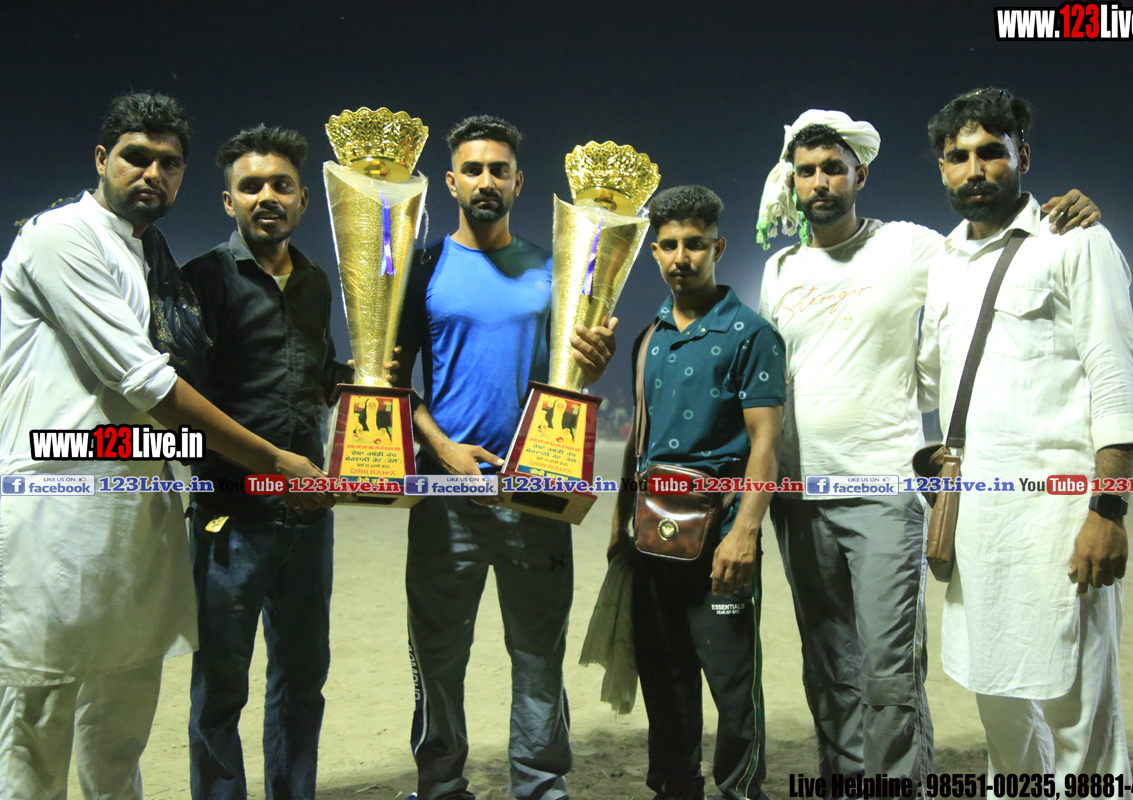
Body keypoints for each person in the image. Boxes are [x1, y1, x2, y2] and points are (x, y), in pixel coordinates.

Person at [755, 109, 1102, 784]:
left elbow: (991, 249)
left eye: (834, 169)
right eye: (807, 171)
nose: (820, 182)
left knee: (888, 673)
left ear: (860, 174)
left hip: (885, 491)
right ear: (791, 182)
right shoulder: (779, 270)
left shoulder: (911, 247)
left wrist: (1065, 216)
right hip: (800, 496)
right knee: (828, 669)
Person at [0, 93, 327, 800]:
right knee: (40, 715)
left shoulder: (153, 257)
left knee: (120, 726)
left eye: (168, 163)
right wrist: (274, 462)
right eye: (136, 157)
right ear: (102, 159)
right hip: (57, 502)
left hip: (139, 505)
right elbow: (147, 382)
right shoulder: (61, 237)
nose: (152, 173)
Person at [917, 88, 1133, 784]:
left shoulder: (1076, 241)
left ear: (1023, 155)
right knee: (999, 702)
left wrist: (1107, 512)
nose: (975, 169)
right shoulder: (944, 263)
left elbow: (1115, 379)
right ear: (942, 167)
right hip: (977, 527)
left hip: (1061, 524)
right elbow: (928, 380)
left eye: (991, 151)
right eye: (958, 156)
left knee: (1080, 716)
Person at [392, 115, 616, 800]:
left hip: (534, 497)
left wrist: (595, 360)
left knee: (538, 658)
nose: (485, 180)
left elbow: (570, 380)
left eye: (499, 170)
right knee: (437, 660)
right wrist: (443, 450)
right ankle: (440, 787)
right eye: (473, 169)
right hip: (446, 501)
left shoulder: (557, 270)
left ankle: (541, 787)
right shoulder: (422, 268)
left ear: (519, 183)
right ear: (451, 181)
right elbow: (391, 380)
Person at [181, 125, 354, 800]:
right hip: (231, 515)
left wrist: (366, 381)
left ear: (303, 199)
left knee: (302, 680)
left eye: (281, 185)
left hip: (308, 516)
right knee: (221, 686)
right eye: (250, 186)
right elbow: (185, 403)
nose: (267, 197)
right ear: (229, 201)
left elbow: (316, 374)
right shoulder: (202, 281)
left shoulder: (315, 282)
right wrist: (268, 463)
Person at [609, 185, 785, 800]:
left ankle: (741, 790)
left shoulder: (751, 334)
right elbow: (639, 442)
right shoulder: (648, 338)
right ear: (654, 251)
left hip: (722, 540)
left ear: (718, 247)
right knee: (664, 680)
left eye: (694, 244)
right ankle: (676, 789)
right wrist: (619, 529)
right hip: (652, 536)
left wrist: (745, 535)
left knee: (733, 687)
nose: (680, 258)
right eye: (669, 246)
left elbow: (766, 443)